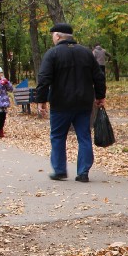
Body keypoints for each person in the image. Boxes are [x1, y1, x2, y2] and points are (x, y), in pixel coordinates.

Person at [35, 22, 106, 183]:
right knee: (84, 136)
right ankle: (83, 172)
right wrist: (100, 96)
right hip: (83, 103)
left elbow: (44, 78)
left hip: (61, 103)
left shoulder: (52, 54)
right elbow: (99, 76)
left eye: (53, 36)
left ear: (58, 36)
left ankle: (60, 170)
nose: (53, 38)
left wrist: (41, 100)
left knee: (58, 136)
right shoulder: (86, 53)